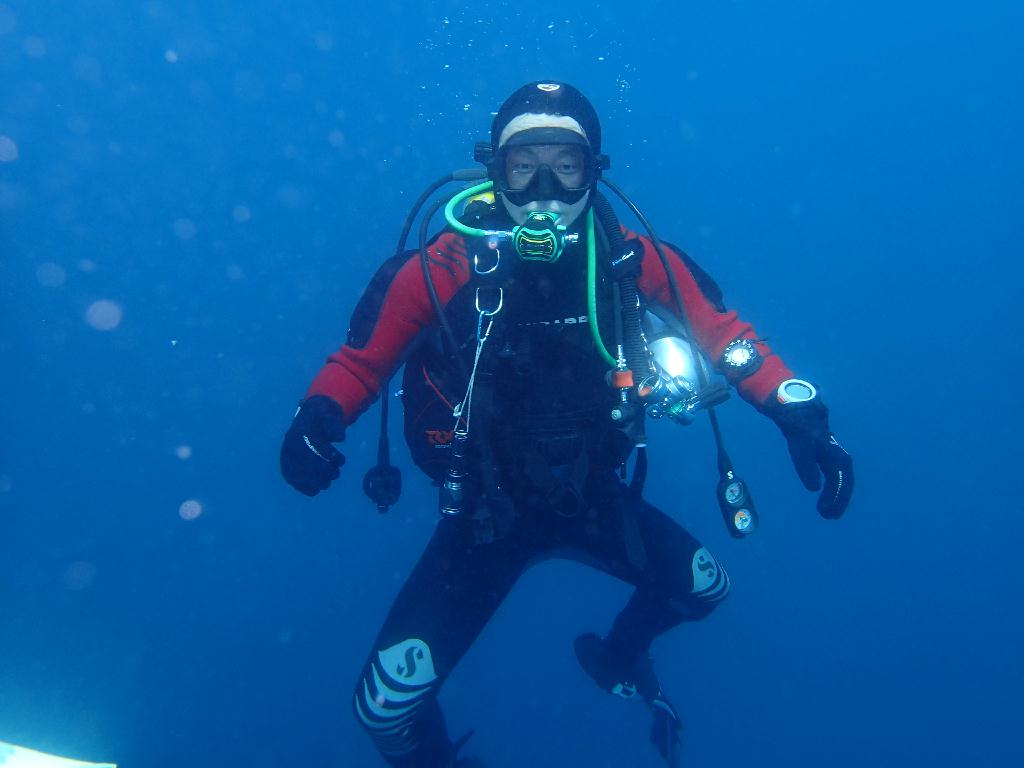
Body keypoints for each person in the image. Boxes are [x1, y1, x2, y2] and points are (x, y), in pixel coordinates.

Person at [280, 81, 854, 767]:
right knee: (382, 710)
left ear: (594, 169)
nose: (545, 187)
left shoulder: (633, 261)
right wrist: (317, 418)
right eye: (524, 166)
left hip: (593, 499)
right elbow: (361, 360)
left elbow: (728, 339)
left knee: (707, 590)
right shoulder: (443, 267)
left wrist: (800, 413)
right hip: (483, 521)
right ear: (496, 170)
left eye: (566, 165)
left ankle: (617, 656)